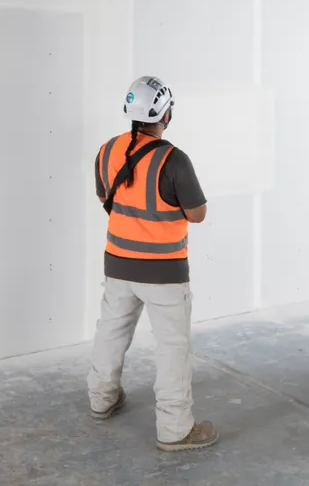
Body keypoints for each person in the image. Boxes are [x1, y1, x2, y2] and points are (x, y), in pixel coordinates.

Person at [86, 75, 218, 452]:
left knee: (110, 332)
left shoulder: (107, 150)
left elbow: (104, 197)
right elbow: (198, 214)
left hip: (118, 266)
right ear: (165, 113)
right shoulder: (173, 159)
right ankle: (175, 429)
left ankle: (101, 398)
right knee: (172, 348)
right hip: (164, 273)